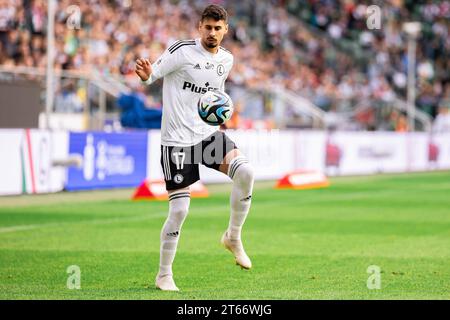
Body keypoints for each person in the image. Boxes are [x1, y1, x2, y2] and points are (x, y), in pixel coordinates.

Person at [135, 4, 254, 291]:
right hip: (176, 140)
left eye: (218, 28)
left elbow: (216, 94)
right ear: (200, 27)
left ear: (225, 30)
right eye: (208, 27)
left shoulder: (226, 59)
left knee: (246, 172)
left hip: (207, 135)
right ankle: (164, 275)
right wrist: (147, 73)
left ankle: (233, 237)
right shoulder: (182, 51)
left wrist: (223, 111)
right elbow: (153, 74)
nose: (212, 33)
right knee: (179, 211)